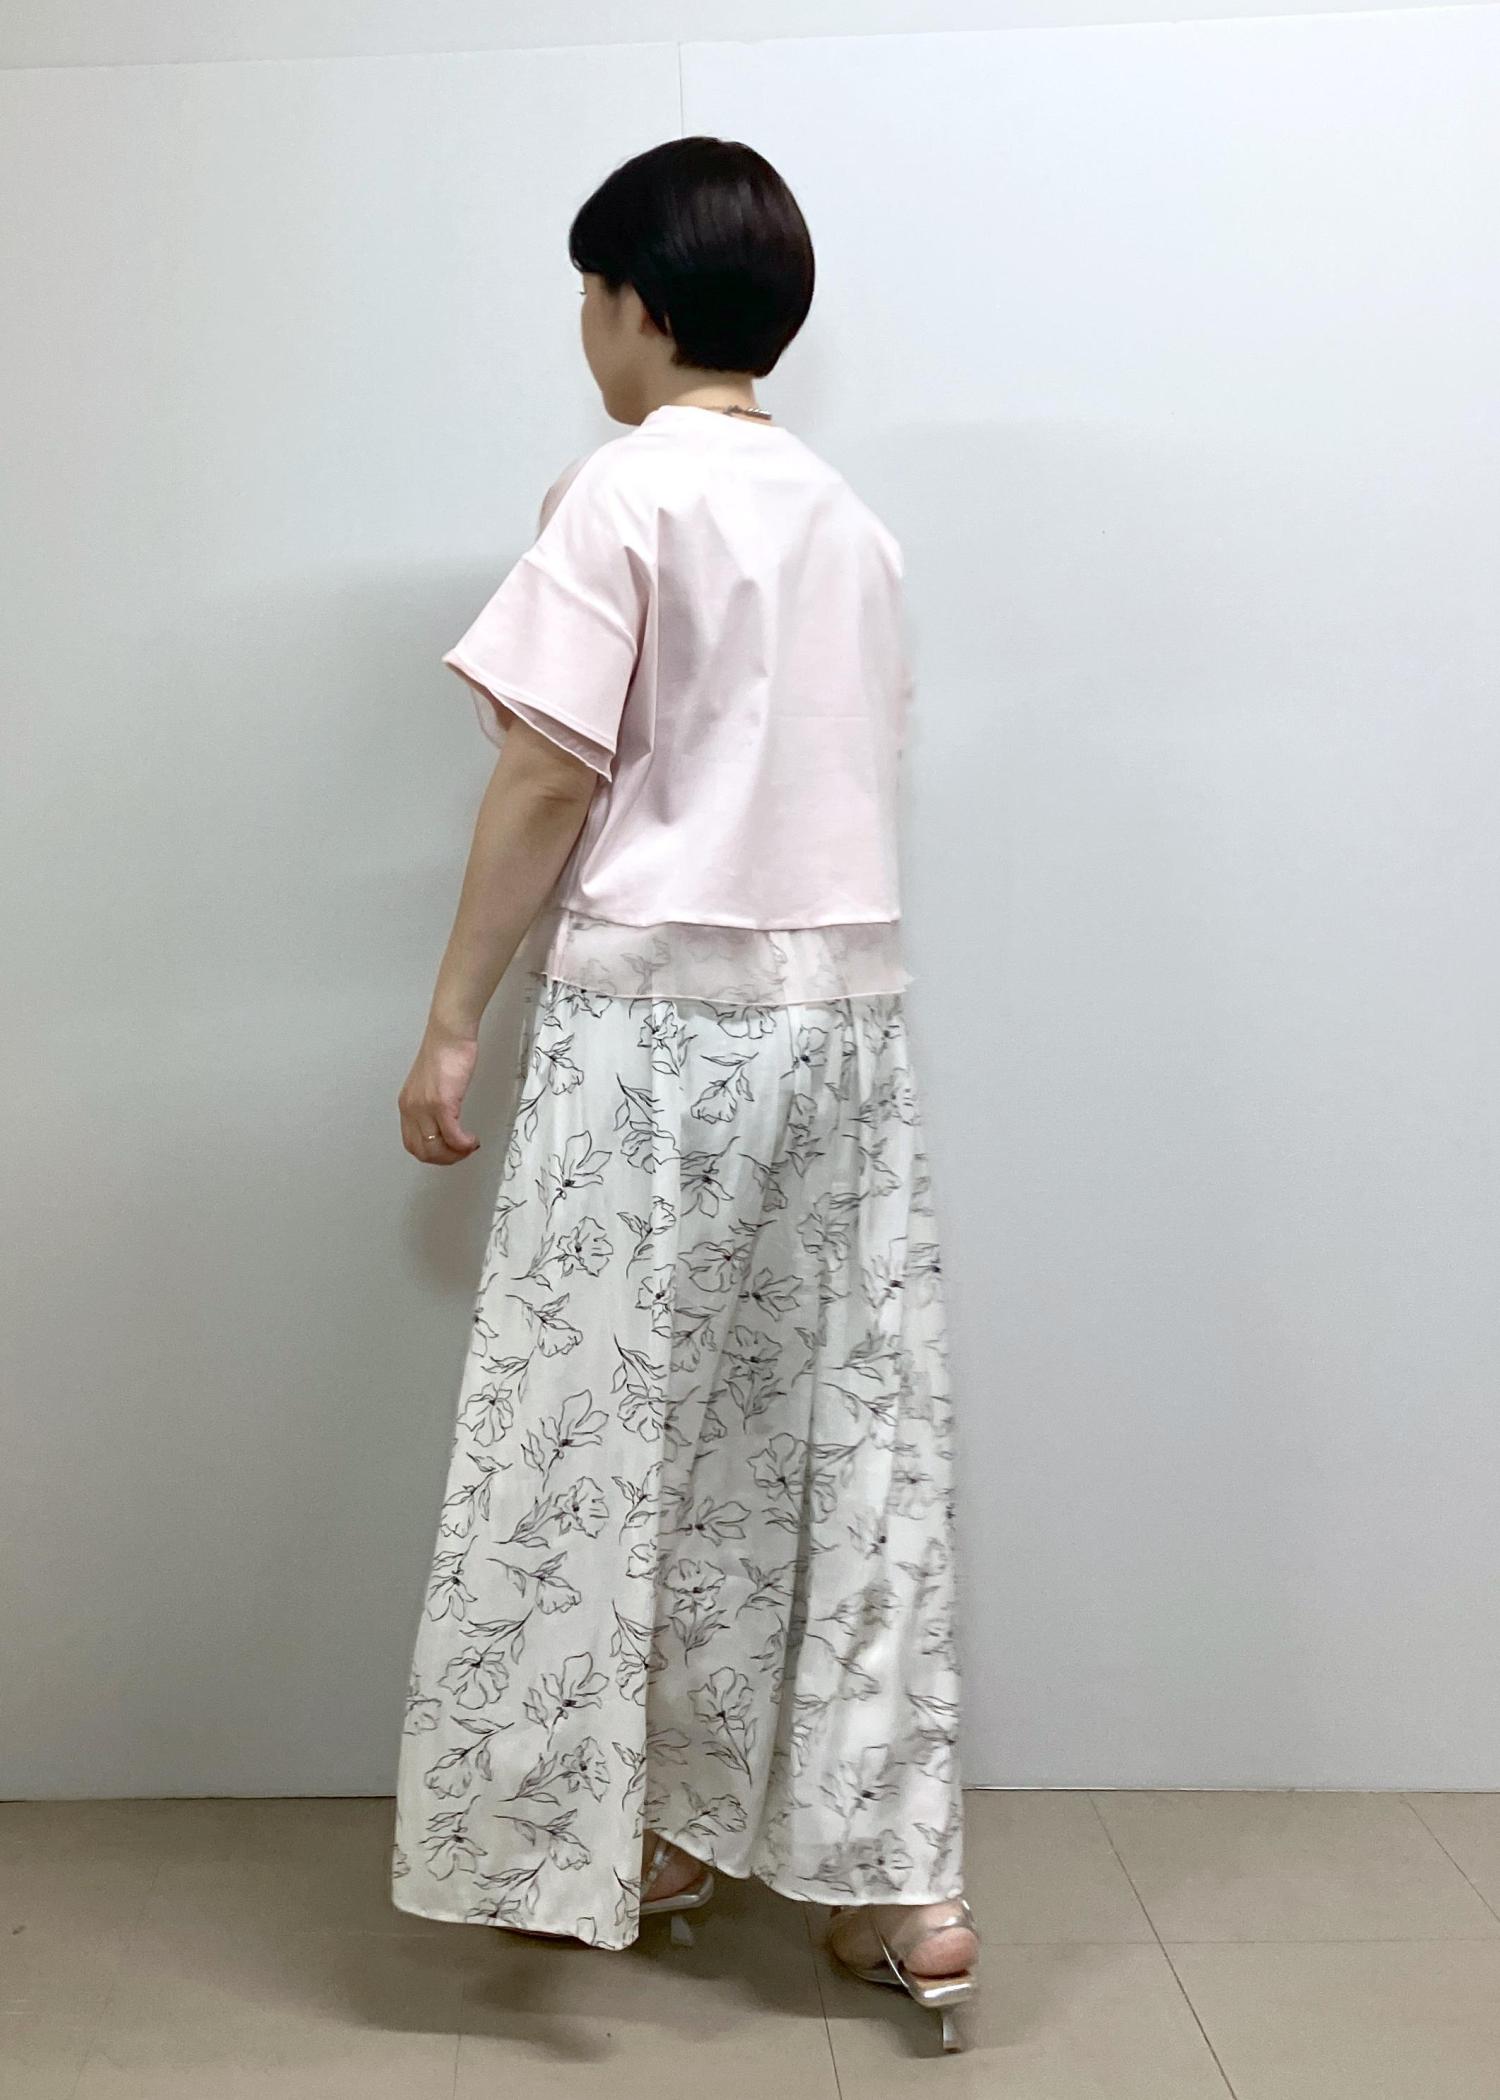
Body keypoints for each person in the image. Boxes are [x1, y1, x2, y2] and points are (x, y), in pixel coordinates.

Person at [391, 134, 979, 2050]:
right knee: (838, 1441)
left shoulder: (624, 491)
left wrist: (454, 1019)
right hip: (844, 1032)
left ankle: (582, 1837)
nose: (585, 328)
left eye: (590, 293)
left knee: (594, 1438)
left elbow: (549, 771)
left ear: (641, 306)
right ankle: (895, 1885)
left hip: (655, 1029)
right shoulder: (853, 522)